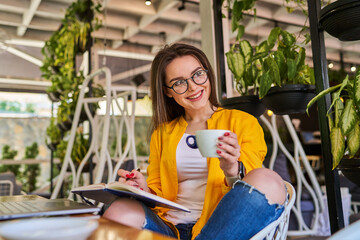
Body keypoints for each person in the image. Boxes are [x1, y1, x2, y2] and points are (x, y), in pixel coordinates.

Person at [103, 43, 287, 240]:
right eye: (179, 82)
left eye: (198, 74)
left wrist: (231, 168)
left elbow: (249, 190)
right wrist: (142, 188)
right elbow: (157, 190)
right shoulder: (163, 133)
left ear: (207, 73)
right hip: (167, 228)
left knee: (268, 180)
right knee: (120, 209)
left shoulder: (243, 122)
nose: (193, 86)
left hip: (219, 227)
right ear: (167, 91)